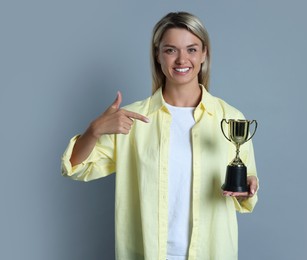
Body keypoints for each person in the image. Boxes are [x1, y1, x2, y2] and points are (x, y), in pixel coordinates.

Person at [61, 11, 259, 260]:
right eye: (170, 50)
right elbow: (76, 168)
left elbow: (247, 185)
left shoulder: (230, 118)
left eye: (191, 49)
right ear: (157, 54)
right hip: (146, 252)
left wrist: (247, 189)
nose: (182, 59)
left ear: (204, 54)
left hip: (211, 252)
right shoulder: (131, 118)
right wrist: (94, 130)